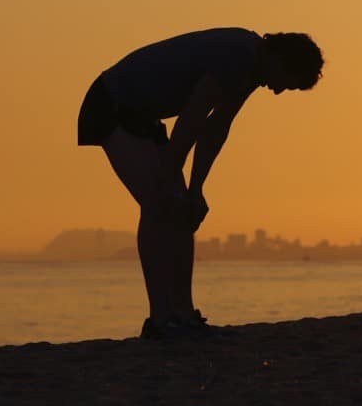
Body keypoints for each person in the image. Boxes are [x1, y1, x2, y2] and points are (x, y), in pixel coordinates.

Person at [77, 27, 324, 339]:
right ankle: (159, 318)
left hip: (143, 117)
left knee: (183, 210)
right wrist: (172, 176)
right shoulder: (239, 55)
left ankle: (182, 313)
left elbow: (216, 129)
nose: (277, 92)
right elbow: (192, 119)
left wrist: (196, 190)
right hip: (110, 104)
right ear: (280, 60)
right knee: (158, 204)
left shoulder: (251, 70)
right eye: (285, 84)